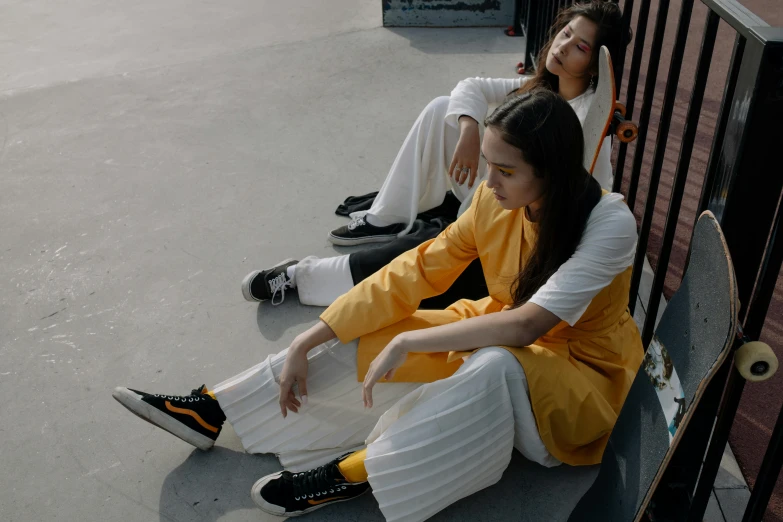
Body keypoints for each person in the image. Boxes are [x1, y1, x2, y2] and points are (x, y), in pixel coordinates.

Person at [113, 89, 643, 521]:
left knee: (494, 365)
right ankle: (211, 409)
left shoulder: (608, 223)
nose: (487, 182)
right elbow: (415, 270)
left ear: (549, 169)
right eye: (487, 164)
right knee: (382, 331)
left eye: (504, 170)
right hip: (499, 331)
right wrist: (312, 334)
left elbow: (528, 326)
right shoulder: (494, 200)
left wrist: (411, 341)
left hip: (582, 378)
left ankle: (354, 472)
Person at [240, 0, 632, 311]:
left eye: (579, 46)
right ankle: (385, 218)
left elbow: (579, 199)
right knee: (443, 109)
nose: (562, 47)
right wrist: (468, 127)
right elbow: (471, 87)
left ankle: (297, 277)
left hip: (517, 235)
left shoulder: (584, 125)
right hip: (492, 206)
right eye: (565, 33)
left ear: (596, 64)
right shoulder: (542, 88)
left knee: (413, 266)